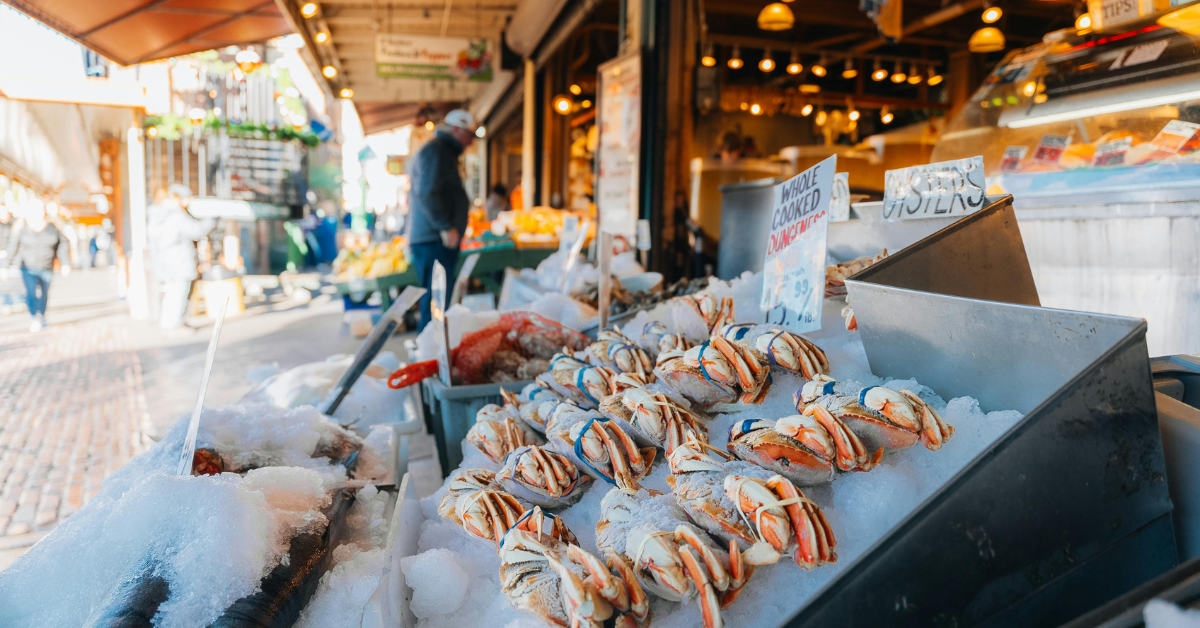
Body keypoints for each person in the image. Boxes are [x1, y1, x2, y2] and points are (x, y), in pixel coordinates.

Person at [408, 109, 475, 331]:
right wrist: (446, 226)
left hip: (434, 239)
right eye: (469, 134)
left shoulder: (442, 151)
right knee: (434, 304)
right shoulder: (437, 151)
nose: (471, 140)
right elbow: (427, 191)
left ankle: (433, 356)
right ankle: (429, 359)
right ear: (457, 130)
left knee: (437, 303)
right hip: (433, 240)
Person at [148, 184, 214, 330]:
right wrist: (210, 218)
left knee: (172, 293)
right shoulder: (176, 215)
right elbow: (197, 231)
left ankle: (167, 323)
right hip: (179, 261)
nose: (190, 201)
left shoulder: (158, 214)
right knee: (178, 294)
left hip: (164, 261)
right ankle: (174, 325)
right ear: (179, 198)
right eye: (188, 198)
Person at [4, 201, 70, 332]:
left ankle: (42, 314)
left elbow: (63, 244)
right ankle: (34, 316)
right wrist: (4, 266)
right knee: (31, 292)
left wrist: (65, 263)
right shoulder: (23, 228)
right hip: (28, 267)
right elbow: (13, 247)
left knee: (44, 293)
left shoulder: (52, 227)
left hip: (46, 266)